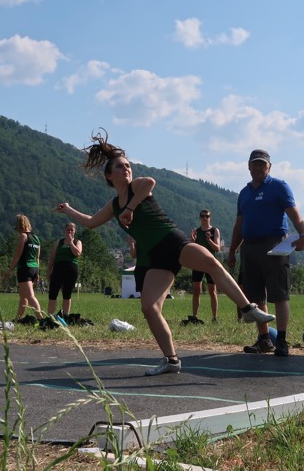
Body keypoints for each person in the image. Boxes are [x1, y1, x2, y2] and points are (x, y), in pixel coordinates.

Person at [56, 132, 272, 375]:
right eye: (120, 167)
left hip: (172, 241)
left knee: (211, 262)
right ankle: (171, 360)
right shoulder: (114, 205)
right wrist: (69, 210)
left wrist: (130, 208)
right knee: (149, 308)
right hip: (156, 257)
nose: (127, 169)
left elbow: (150, 181)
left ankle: (247, 310)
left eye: (128, 165)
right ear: (109, 175)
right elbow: (92, 221)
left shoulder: (137, 187)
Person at [227, 149, 304, 358]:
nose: (258, 167)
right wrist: (232, 251)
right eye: (255, 164)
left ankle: (281, 340)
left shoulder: (278, 186)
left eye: (262, 164)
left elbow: (293, 211)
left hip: (274, 246)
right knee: (255, 297)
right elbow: (239, 225)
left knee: (279, 294)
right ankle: (264, 340)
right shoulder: (244, 193)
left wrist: (303, 234)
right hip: (249, 247)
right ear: (248, 166)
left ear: (269, 167)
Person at [5, 214, 44, 323]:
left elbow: (17, 255)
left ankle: (41, 319)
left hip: (25, 269)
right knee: (23, 296)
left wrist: (10, 270)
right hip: (34, 269)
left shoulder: (23, 236)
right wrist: (37, 272)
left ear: (19, 225)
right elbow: (37, 257)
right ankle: (17, 319)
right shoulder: (36, 238)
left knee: (30, 296)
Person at [189, 209, 221, 324]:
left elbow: (217, 248)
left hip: (210, 262)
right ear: (199, 218)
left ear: (210, 218)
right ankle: (194, 316)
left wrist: (208, 240)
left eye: (206, 216)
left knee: (212, 290)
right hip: (198, 262)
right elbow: (192, 249)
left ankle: (215, 318)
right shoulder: (196, 232)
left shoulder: (214, 230)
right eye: (202, 216)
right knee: (196, 289)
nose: (204, 218)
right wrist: (192, 240)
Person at [45, 222, 83, 318]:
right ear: (64, 230)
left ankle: (65, 316)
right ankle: (50, 316)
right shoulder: (59, 242)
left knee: (67, 293)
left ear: (74, 232)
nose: (69, 231)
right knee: (53, 292)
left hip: (71, 269)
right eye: (68, 229)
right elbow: (52, 257)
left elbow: (77, 253)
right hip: (58, 268)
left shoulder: (77, 242)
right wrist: (48, 271)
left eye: (72, 230)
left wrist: (70, 243)